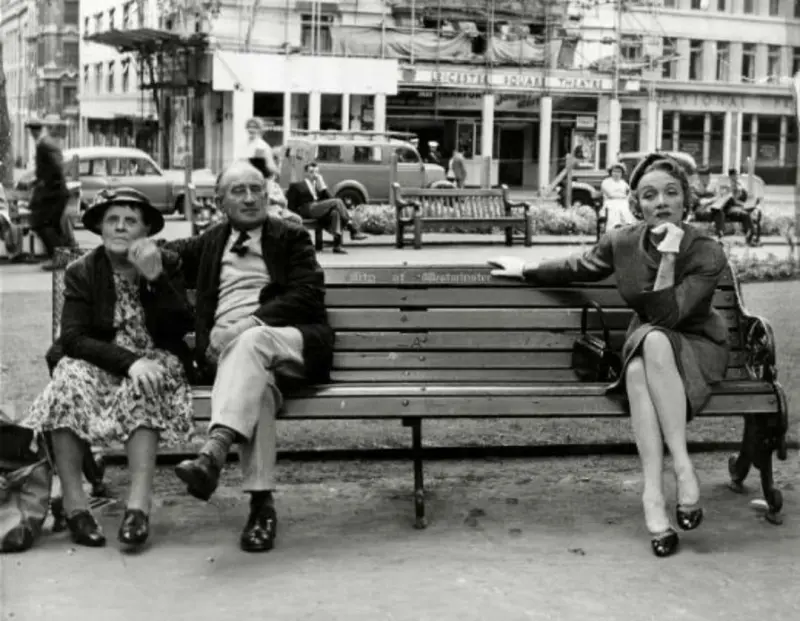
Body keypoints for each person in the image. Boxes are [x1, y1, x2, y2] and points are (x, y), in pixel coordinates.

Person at [488, 153, 731, 558]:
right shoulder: (623, 241)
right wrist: (527, 269)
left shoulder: (707, 251)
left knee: (644, 358)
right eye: (649, 195)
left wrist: (670, 254)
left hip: (697, 344)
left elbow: (668, 317)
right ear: (637, 204)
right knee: (644, 356)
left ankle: (675, 473)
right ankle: (662, 487)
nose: (661, 202)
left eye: (671, 192)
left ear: (685, 199)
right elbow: (579, 266)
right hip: (649, 341)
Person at [133, 160, 335, 553]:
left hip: (290, 343)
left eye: (256, 189)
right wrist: (143, 250)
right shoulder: (211, 242)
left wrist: (245, 325)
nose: (250, 197)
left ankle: (214, 450)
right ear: (220, 202)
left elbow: (307, 295)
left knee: (251, 341)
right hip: (237, 364)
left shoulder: (291, 237)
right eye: (238, 190)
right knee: (259, 392)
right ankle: (261, 507)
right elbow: (166, 254)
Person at [22, 188, 196, 549]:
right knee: (67, 379)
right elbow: (72, 338)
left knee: (147, 381)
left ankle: (138, 507)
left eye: (130, 221)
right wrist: (129, 362)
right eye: (112, 220)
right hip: (104, 359)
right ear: (100, 228)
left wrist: (156, 279)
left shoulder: (168, 262)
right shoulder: (82, 270)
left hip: (156, 356)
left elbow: (181, 325)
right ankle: (76, 507)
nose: (120, 227)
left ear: (146, 230)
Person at [286, 161, 367, 254]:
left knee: (335, 213)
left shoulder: (319, 185)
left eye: (316, 172)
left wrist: (323, 187)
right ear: (305, 173)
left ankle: (337, 245)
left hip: (319, 208)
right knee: (337, 201)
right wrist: (295, 216)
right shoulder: (297, 185)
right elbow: (291, 205)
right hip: (307, 208)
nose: (314, 175)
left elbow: (330, 200)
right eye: (311, 172)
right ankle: (351, 227)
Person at [28, 137, 71, 270]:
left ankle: (58, 259)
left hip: (53, 194)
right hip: (56, 193)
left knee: (44, 224)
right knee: (52, 226)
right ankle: (60, 258)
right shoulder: (50, 148)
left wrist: (44, 182)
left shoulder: (44, 148)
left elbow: (54, 171)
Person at [600, 163, 634, 230]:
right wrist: (623, 196)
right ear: (611, 172)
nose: (616, 173)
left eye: (619, 172)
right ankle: (615, 226)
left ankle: (627, 226)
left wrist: (627, 197)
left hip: (623, 202)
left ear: (622, 173)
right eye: (614, 171)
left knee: (625, 207)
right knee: (615, 207)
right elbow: (610, 195)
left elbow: (630, 192)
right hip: (610, 202)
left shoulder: (623, 183)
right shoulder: (606, 182)